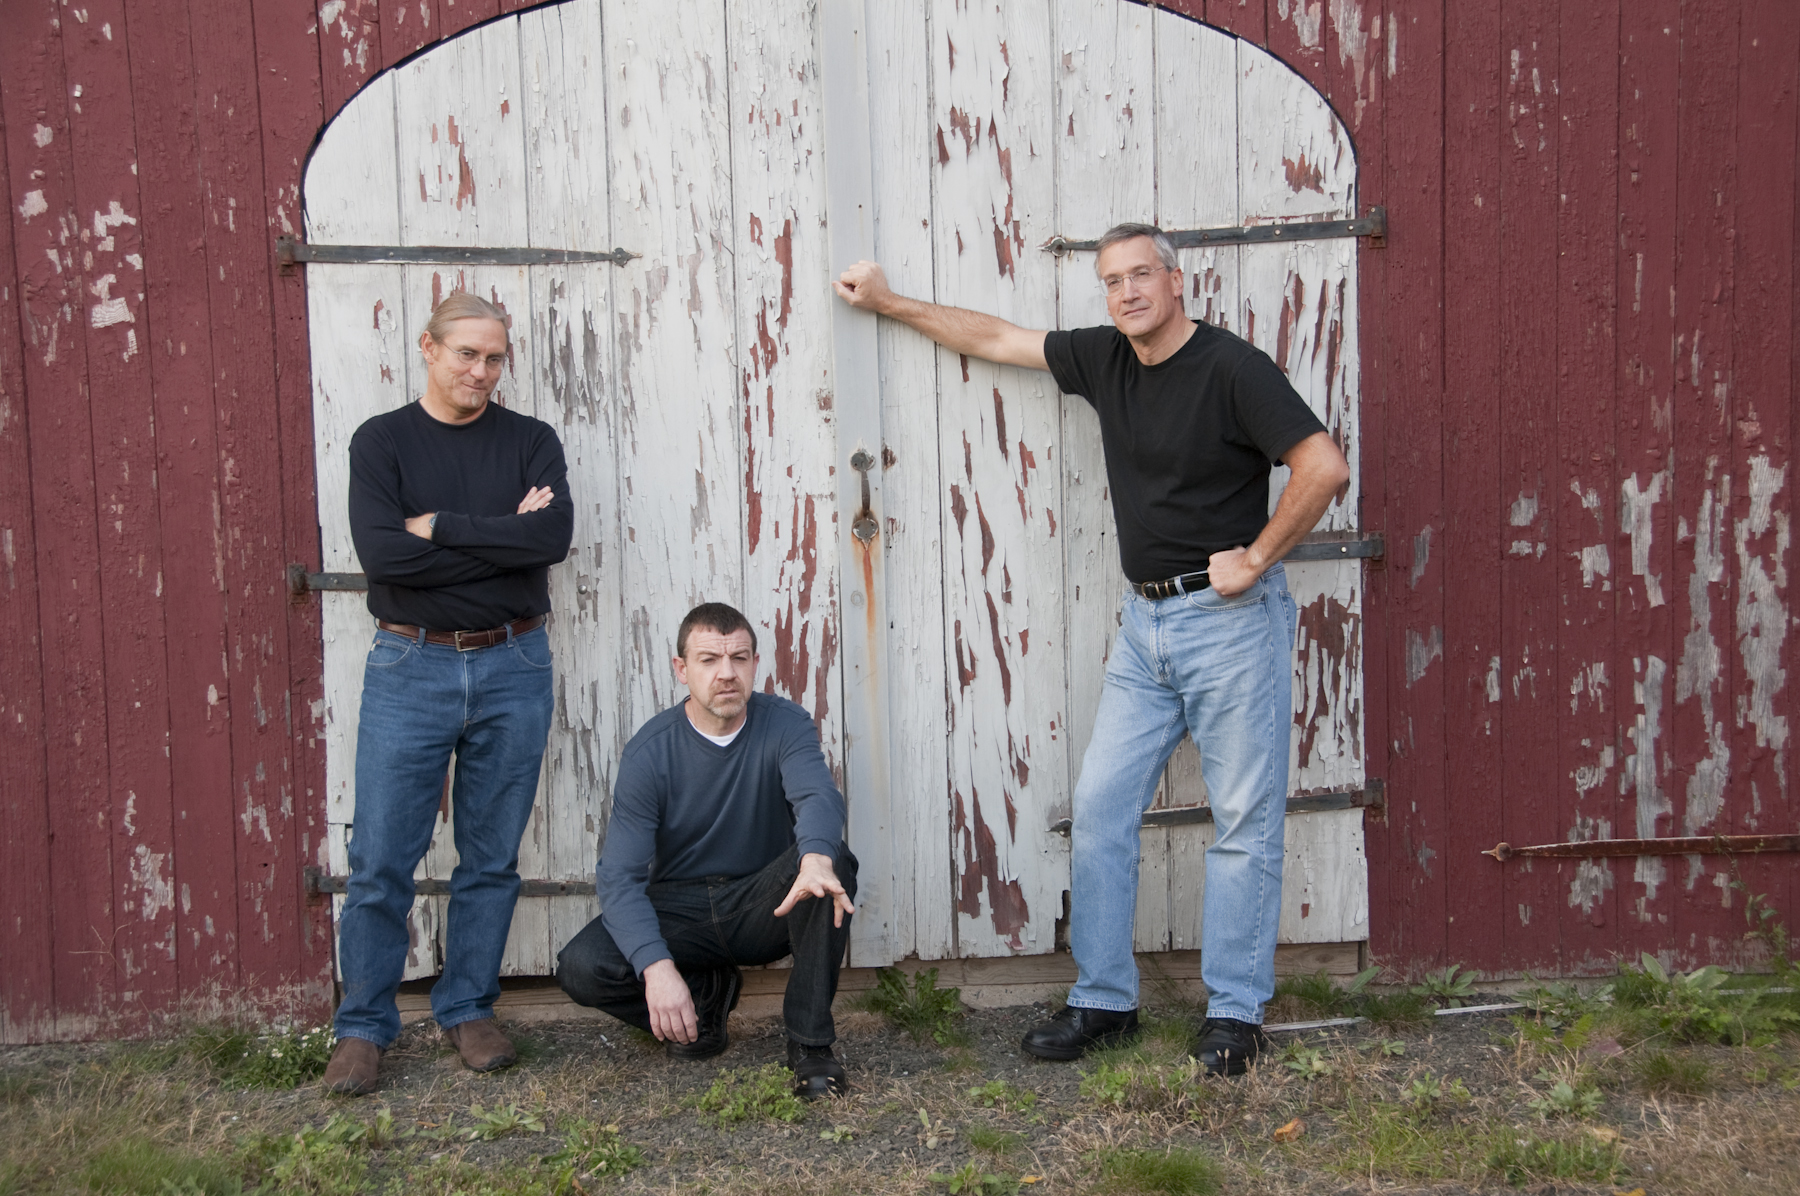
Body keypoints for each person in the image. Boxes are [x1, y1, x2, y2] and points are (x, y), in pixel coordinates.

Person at [834, 224, 1350, 1076]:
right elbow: (997, 338)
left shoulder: (1232, 369)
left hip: (1228, 625)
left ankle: (1235, 1015)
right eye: (1112, 281)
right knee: (1103, 810)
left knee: (1241, 824)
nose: (1127, 292)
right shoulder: (1107, 358)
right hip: (1144, 627)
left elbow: (1322, 466)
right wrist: (889, 302)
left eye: (1141, 275)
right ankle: (1106, 1000)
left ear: (1177, 282)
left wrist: (1257, 557)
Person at [323, 292, 574, 1096]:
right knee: (381, 860)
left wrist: (440, 525)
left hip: (514, 662)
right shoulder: (383, 441)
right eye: (467, 353)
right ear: (428, 349)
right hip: (412, 664)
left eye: (495, 357)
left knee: (490, 856)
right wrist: (503, 537)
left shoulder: (531, 440)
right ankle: (363, 1026)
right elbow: (385, 559)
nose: (482, 370)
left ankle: (467, 1007)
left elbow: (550, 539)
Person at [555, 602, 858, 1099]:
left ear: (754, 664)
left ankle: (810, 1045)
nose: (727, 673)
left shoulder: (786, 724)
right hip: (683, 909)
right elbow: (620, 877)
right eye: (709, 659)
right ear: (682, 669)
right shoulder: (650, 751)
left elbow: (817, 796)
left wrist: (816, 859)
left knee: (830, 864)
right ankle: (703, 1003)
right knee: (581, 967)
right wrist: (656, 969)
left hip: (761, 903)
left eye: (739, 658)